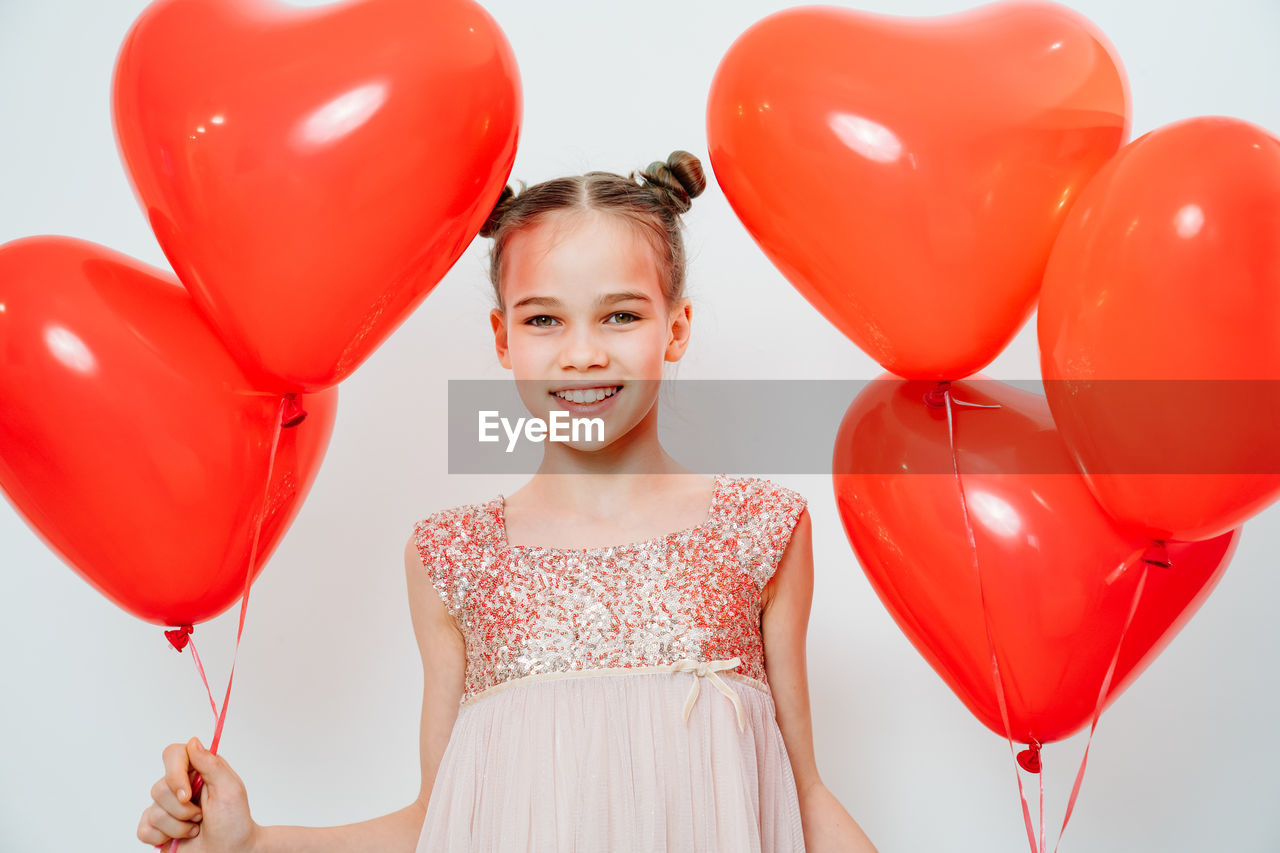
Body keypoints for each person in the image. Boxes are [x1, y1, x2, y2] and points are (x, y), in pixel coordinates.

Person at [136, 151, 880, 852]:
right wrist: (258, 841)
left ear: (675, 328)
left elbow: (802, 797)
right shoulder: (452, 556)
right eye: (543, 319)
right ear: (501, 337)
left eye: (621, 315)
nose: (582, 352)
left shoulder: (760, 529)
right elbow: (440, 818)